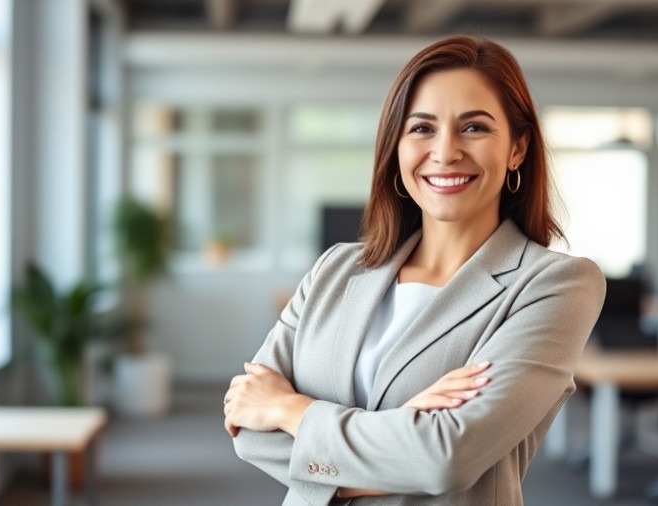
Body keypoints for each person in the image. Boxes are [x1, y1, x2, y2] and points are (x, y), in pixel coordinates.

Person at [222, 34, 606, 505]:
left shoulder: (555, 285)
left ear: (518, 149)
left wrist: (288, 408)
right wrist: (406, 433)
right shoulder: (334, 270)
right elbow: (248, 431)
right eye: (422, 128)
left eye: (475, 128)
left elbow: (447, 458)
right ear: (396, 146)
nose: (445, 152)